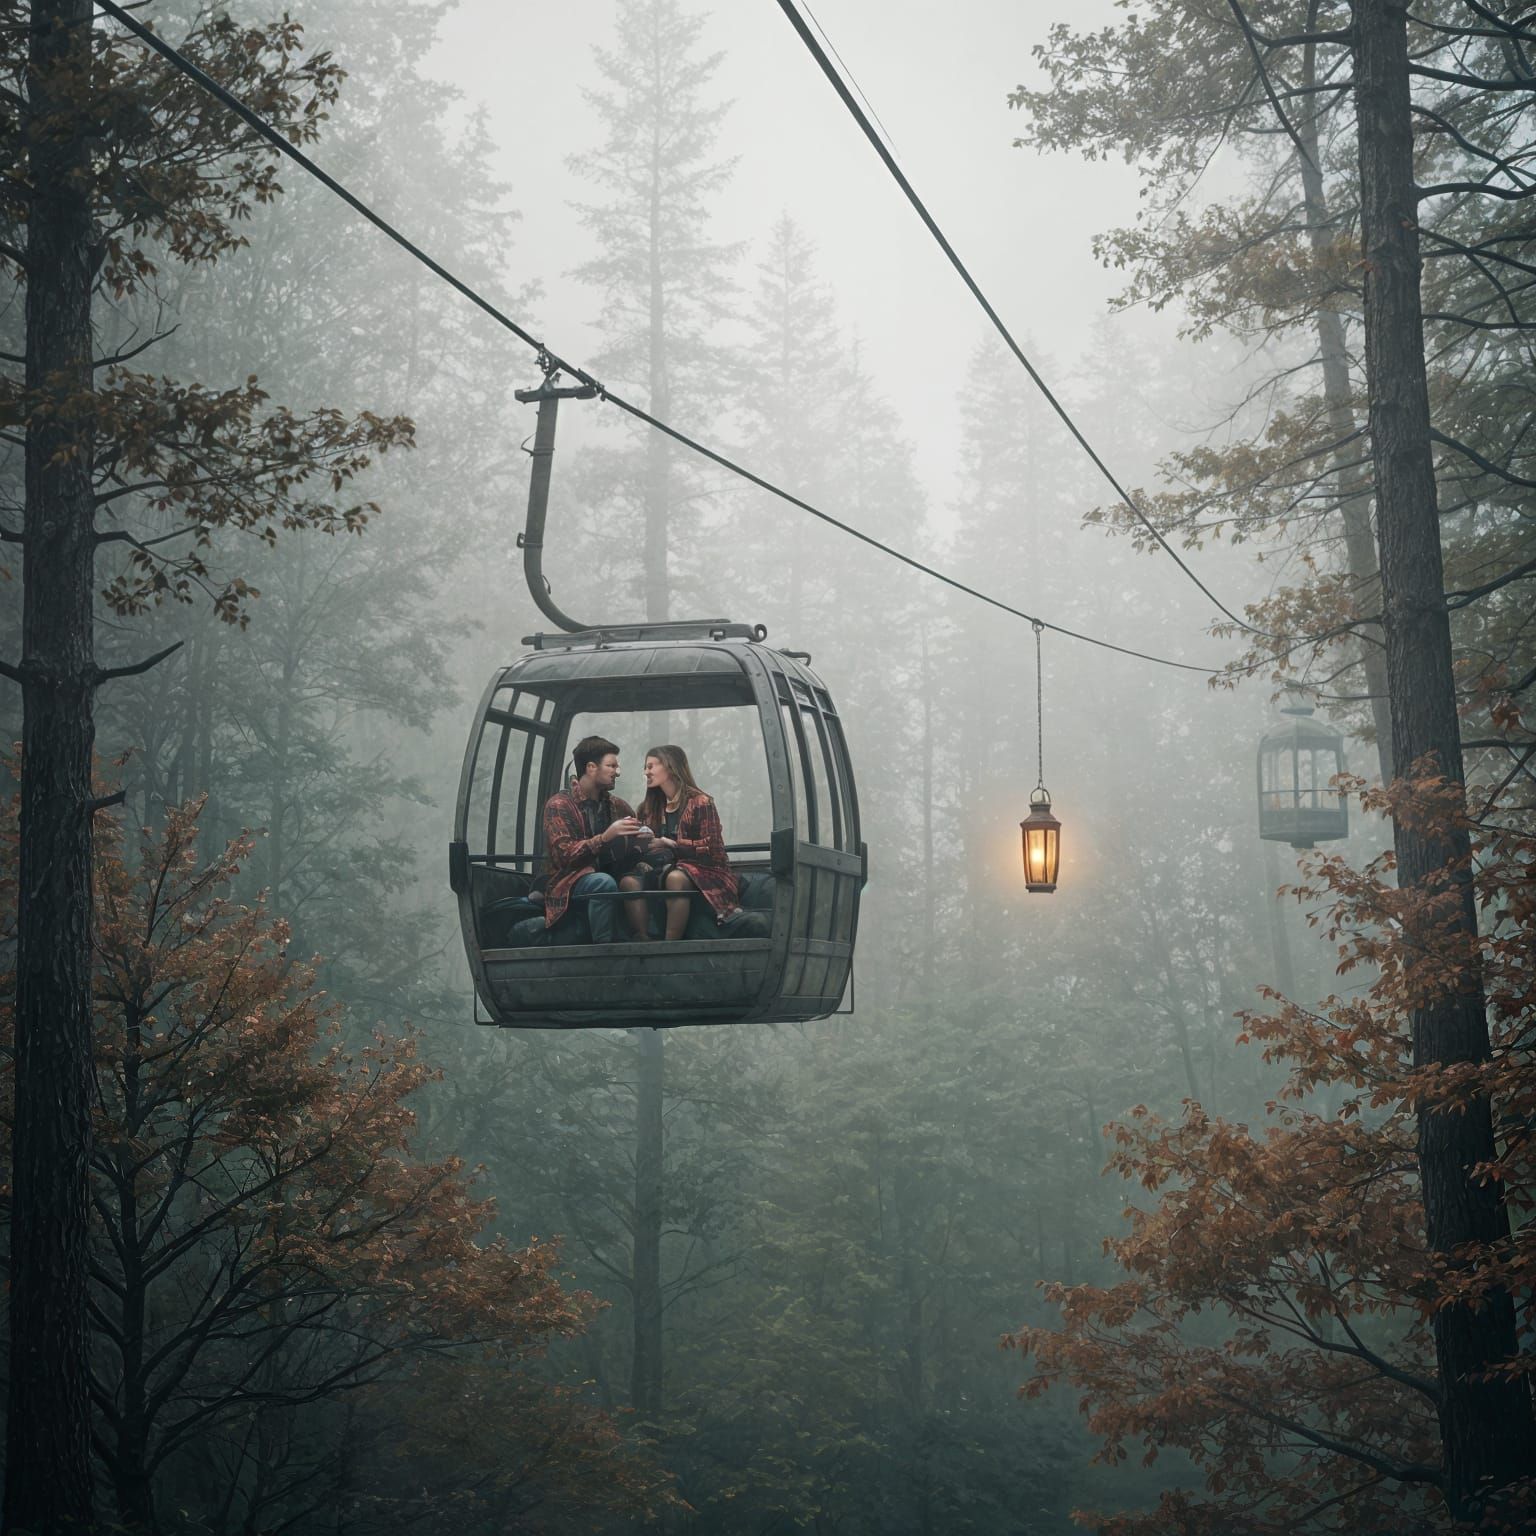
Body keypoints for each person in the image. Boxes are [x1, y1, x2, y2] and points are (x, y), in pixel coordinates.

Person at [620, 744, 741, 941]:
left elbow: (712, 848)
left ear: (670, 766)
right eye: (645, 767)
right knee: (629, 882)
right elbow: (645, 847)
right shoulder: (648, 807)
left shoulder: (701, 802)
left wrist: (672, 844)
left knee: (675, 878)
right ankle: (643, 942)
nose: (646, 772)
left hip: (704, 870)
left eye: (651, 766)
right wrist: (637, 841)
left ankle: (670, 946)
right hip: (660, 867)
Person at [541, 735, 645, 944]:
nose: (618, 772)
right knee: (602, 883)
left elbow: (638, 836)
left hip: (613, 873)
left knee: (645, 876)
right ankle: (604, 951)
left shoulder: (617, 805)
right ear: (591, 767)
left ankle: (647, 939)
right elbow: (565, 857)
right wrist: (606, 837)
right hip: (570, 883)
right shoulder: (559, 805)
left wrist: (646, 842)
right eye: (611, 765)